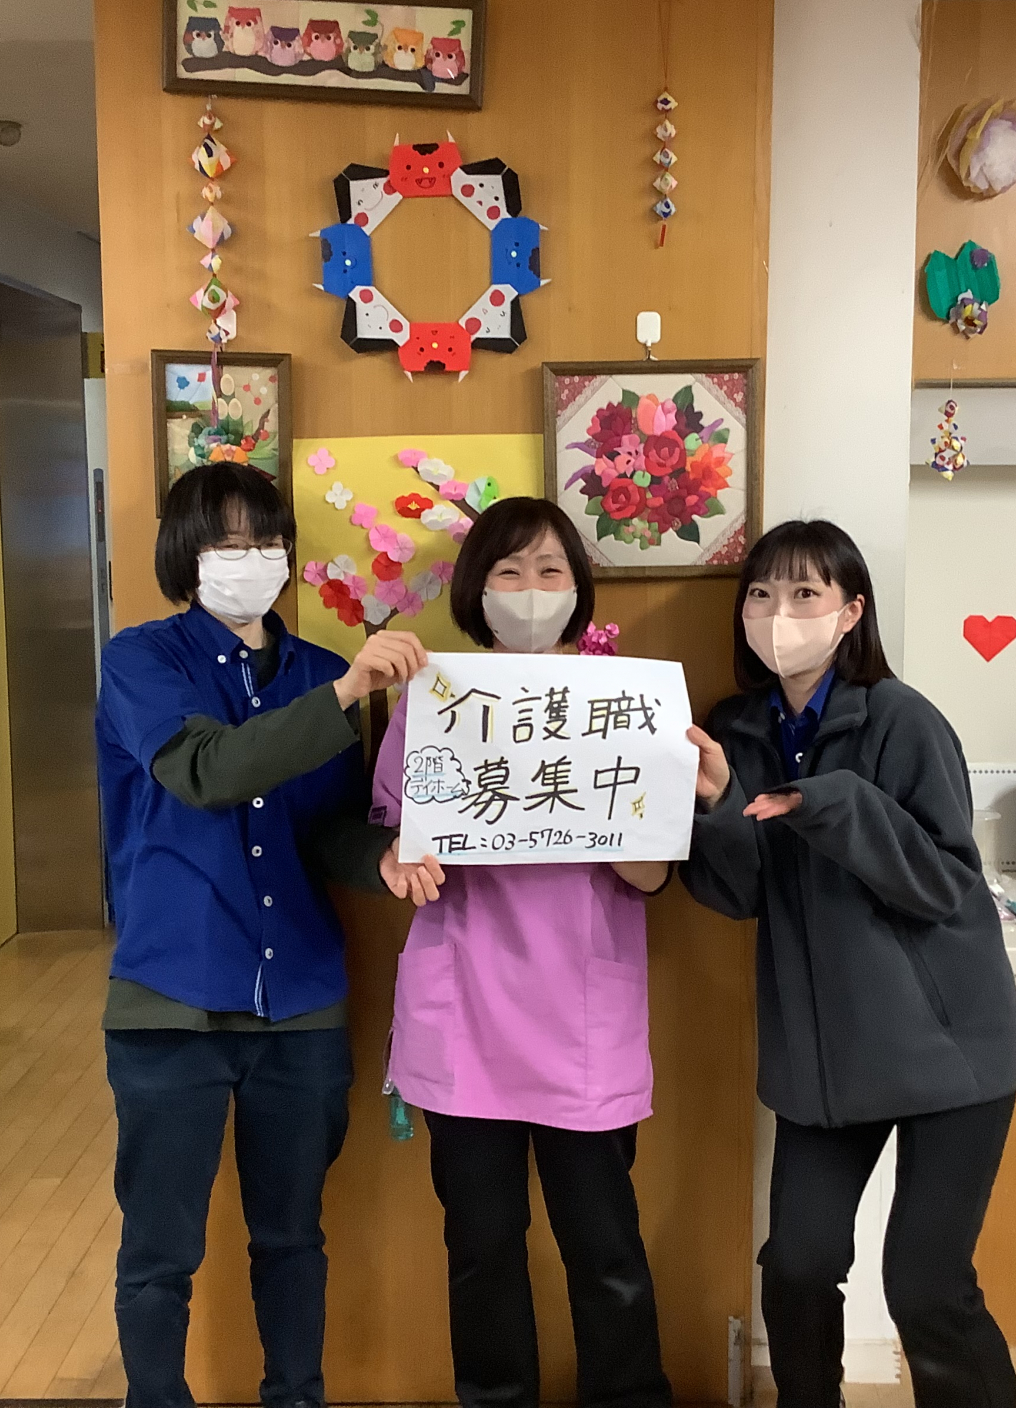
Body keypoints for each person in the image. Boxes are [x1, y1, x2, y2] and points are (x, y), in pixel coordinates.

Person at [95, 462, 427, 1408]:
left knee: (293, 1238)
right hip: (171, 1003)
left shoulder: (320, 672)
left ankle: (297, 1397)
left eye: (267, 541)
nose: (250, 558)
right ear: (184, 555)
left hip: (301, 1005)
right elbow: (206, 771)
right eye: (226, 542)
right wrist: (344, 695)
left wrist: (383, 860)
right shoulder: (142, 662)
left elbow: (325, 829)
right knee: (160, 1250)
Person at [681, 519, 1016, 1408]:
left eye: (806, 593)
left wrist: (830, 803)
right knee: (796, 1267)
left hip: (953, 1049)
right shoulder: (734, 730)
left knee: (926, 1286)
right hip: (825, 1057)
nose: (780, 613)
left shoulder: (903, 721)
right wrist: (717, 805)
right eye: (762, 594)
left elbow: (944, 884)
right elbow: (738, 894)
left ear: (850, 613)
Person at [368, 496, 676, 1408]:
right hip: (464, 1011)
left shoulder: (626, 702)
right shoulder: (431, 705)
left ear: (578, 589)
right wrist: (404, 861)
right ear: (477, 589)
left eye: (550, 570)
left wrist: (627, 826)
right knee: (482, 1248)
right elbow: (393, 842)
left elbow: (653, 875)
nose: (531, 590)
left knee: (605, 1246)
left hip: (582, 1015)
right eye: (508, 571)